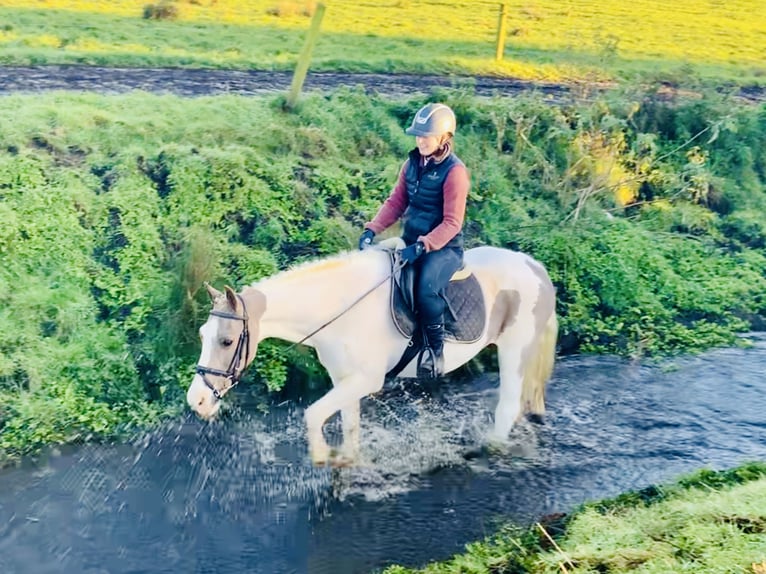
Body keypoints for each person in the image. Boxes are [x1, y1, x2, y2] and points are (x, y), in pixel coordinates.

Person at [358, 102, 470, 378]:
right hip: (411, 241)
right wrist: (372, 229)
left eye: (427, 136)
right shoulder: (411, 164)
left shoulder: (454, 173)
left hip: (443, 248)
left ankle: (435, 350)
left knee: (425, 289)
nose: (420, 141)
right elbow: (396, 202)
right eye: (418, 135)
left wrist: (422, 246)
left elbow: (452, 223)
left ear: (444, 138)